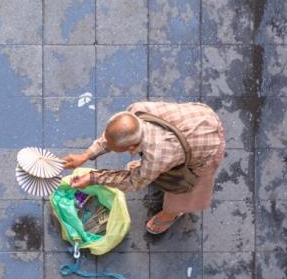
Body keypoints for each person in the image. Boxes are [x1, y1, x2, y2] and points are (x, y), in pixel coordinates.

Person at [63, 100, 226, 235]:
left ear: (132, 146)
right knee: (153, 169)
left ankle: (171, 214)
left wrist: (93, 178)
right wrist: (84, 156)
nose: (109, 146)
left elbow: (133, 183)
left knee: (185, 189)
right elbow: (112, 137)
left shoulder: (157, 156)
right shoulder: (136, 111)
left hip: (207, 147)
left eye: (117, 149)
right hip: (200, 116)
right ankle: (149, 172)